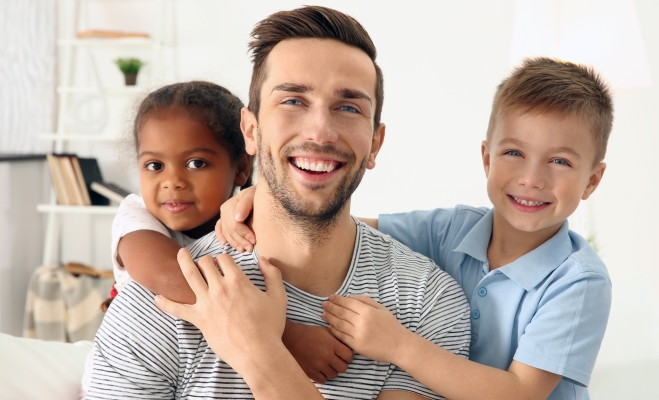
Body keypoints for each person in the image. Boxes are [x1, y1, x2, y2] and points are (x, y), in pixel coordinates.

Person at [87, 6, 470, 400]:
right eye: (293, 101)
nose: (320, 132)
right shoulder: (156, 304)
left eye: (349, 107)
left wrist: (259, 350)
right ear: (251, 131)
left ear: (374, 143)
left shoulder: (427, 304)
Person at [221, 57, 614, 400]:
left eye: (559, 162)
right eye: (514, 153)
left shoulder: (579, 281)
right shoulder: (456, 228)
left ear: (592, 181)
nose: (531, 179)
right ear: (487, 159)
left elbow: (520, 393)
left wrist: (397, 345)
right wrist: (260, 200)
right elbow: (345, 227)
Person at [79, 80, 254, 397]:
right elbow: (172, 276)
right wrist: (285, 334)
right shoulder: (137, 216)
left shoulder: (246, 212)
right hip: (139, 371)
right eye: (154, 165)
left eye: (196, 163)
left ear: (241, 168)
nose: (172, 181)